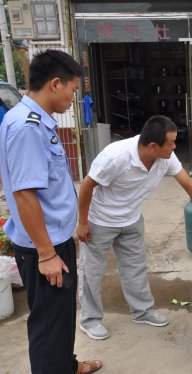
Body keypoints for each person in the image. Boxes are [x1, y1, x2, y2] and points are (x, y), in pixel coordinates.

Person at [77, 115, 192, 340]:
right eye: (171, 142)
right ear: (152, 146)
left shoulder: (166, 158)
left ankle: (142, 312)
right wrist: (82, 222)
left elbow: (188, 184)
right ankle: (90, 321)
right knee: (92, 272)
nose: (175, 146)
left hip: (131, 219)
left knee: (135, 268)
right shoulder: (115, 156)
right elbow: (87, 185)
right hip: (100, 221)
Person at [0, 50, 102, 373]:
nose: (74, 98)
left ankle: (67, 365)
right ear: (55, 84)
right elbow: (25, 194)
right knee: (48, 327)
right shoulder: (28, 127)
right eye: (73, 90)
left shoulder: (33, 121)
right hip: (44, 247)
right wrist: (46, 254)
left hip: (53, 241)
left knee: (59, 320)